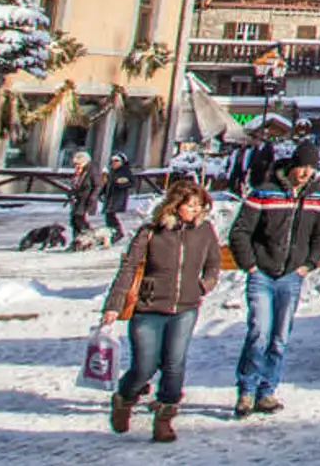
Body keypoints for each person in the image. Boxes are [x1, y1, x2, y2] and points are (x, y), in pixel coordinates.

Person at [102, 177, 220, 442]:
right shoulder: (152, 231)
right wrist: (113, 305)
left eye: (199, 206)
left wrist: (205, 285)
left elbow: (213, 264)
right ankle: (124, 398)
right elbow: (129, 268)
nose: (195, 211)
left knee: (174, 364)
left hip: (185, 308)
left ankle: (164, 418)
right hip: (149, 307)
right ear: (175, 204)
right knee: (143, 366)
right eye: (190, 205)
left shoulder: (204, 231)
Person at [227, 141, 320, 419]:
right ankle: (246, 390)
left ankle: (267, 390)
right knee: (259, 332)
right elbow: (240, 231)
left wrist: (309, 264)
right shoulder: (264, 192)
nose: (306, 172)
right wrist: (249, 265)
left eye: (311, 167)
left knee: (280, 338)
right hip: (262, 272)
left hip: (291, 275)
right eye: (303, 166)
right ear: (293, 164)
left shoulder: (319, 198)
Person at [66, 151, 103, 248]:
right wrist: (71, 192)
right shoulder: (80, 170)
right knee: (74, 220)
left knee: (80, 220)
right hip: (78, 199)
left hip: (86, 199)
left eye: (78, 163)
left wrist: (93, 197)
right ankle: (77, 241)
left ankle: (89, 239)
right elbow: (75, 184)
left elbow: (98, 185)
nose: (76, 165)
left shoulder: (92, 169)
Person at [103, 151, 136, 240]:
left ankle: (117, 232)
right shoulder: (112, 171)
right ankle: (113, 232)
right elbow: (107, 184)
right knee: (108, 215)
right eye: (113, 161)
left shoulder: (124, 171)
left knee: (111, 215)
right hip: (110, 196)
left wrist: (121, 184)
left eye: (116, 161)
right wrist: (102, 192)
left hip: (118, 197)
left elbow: (132, 183)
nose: (114, 163)